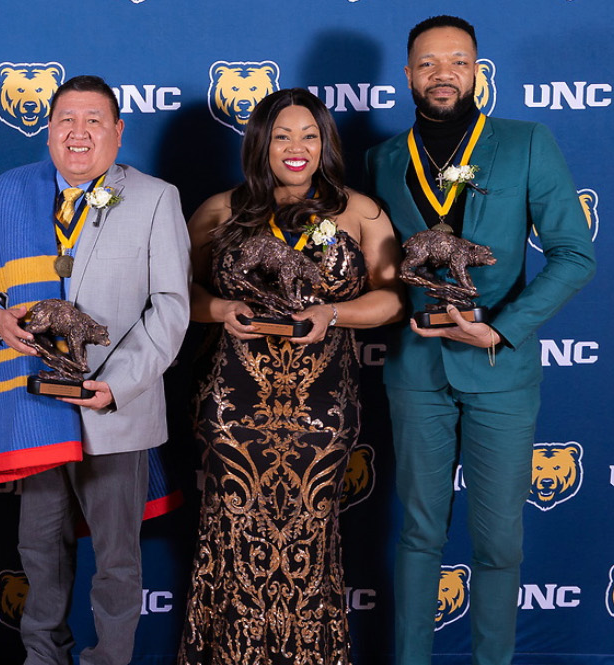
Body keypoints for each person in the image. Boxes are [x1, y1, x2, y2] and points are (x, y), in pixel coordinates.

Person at [366, 16, 595, 665]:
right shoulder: (382, 159)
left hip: (499, 370)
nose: (443, 74)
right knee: (418, 534)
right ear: (408, 75)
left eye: (458, 62)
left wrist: (501, 327)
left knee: (498, 543)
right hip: (416, 368)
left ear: (476, 71)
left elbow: (575, 254)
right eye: (428, 63)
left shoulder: (526, 143)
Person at [0, 74, 191, 665]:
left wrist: (116, 385)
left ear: (118, 130)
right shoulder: (8, 195)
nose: (78, 132)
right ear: (48, 131)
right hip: (34, 410)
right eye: (66, 119)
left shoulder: (155, 197)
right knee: (39, 553)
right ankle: (43, 658)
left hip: (114, 410)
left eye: (93, 120)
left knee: (116, 560)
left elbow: (170, 307)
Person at [177, 88, 403, 665]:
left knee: (310, 541)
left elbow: (392, 299)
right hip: (234, 409)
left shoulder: (360, 211)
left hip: (321, 411)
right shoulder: (219, 211)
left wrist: (334, 314)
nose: (295, 147)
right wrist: (220, 308)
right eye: (281, 136)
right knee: (231, 540)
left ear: (325, 143)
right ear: (261, 143)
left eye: (309, 135)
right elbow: (177, 295)